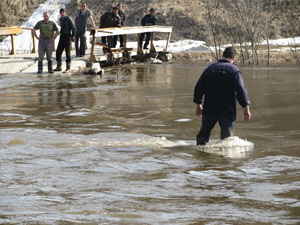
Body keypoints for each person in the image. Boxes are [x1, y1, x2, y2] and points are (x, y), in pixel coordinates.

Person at [193, 47, 251, 145]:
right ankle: (225, 159)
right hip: (227, 110)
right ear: (234, 58)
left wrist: (198, 104)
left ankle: (200, 157)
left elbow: (199, 87)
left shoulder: (210, 68)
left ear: (222, 55)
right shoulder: (234, 70)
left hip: (209, 108)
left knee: (202, 136)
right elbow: (241, 90)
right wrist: (246, 107)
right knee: (227, 140)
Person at [53, 8, 75, 73]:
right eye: (61, 12)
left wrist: (73, 35)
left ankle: (68, 68)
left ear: (65, 13)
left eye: (63, 12)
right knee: (58, 51)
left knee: (67, 52)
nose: (62, 13)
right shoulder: (61, 19)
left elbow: (73, 27)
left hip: (68, 36)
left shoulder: (68, 18)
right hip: (62, 36)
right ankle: (59, 66)